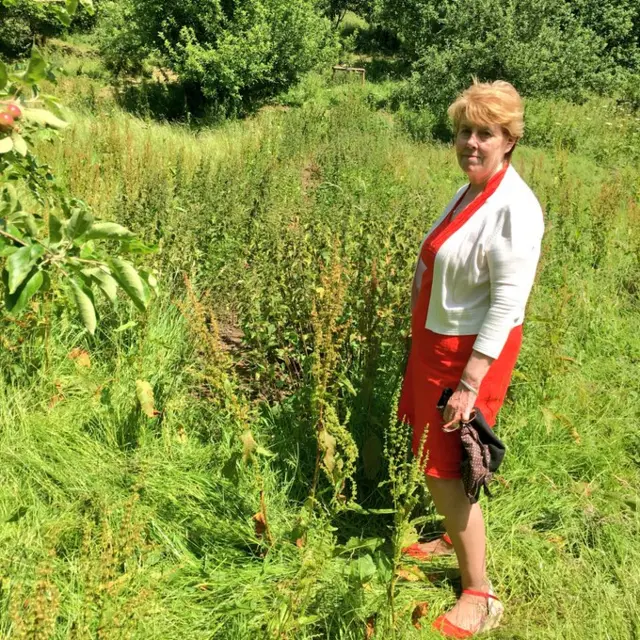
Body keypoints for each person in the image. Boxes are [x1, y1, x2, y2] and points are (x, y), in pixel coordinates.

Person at [397, 80, 544, 638]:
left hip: (468, 355)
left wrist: (469, 382)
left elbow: (508, 301)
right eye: (464, 131)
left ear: (509, 140)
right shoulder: (471, 190)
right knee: (437, 456)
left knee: (446, 466)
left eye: (486, 133)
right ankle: (448, 534)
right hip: (438, 342)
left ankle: (479, 593)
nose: (472, 143)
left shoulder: (515, 206)